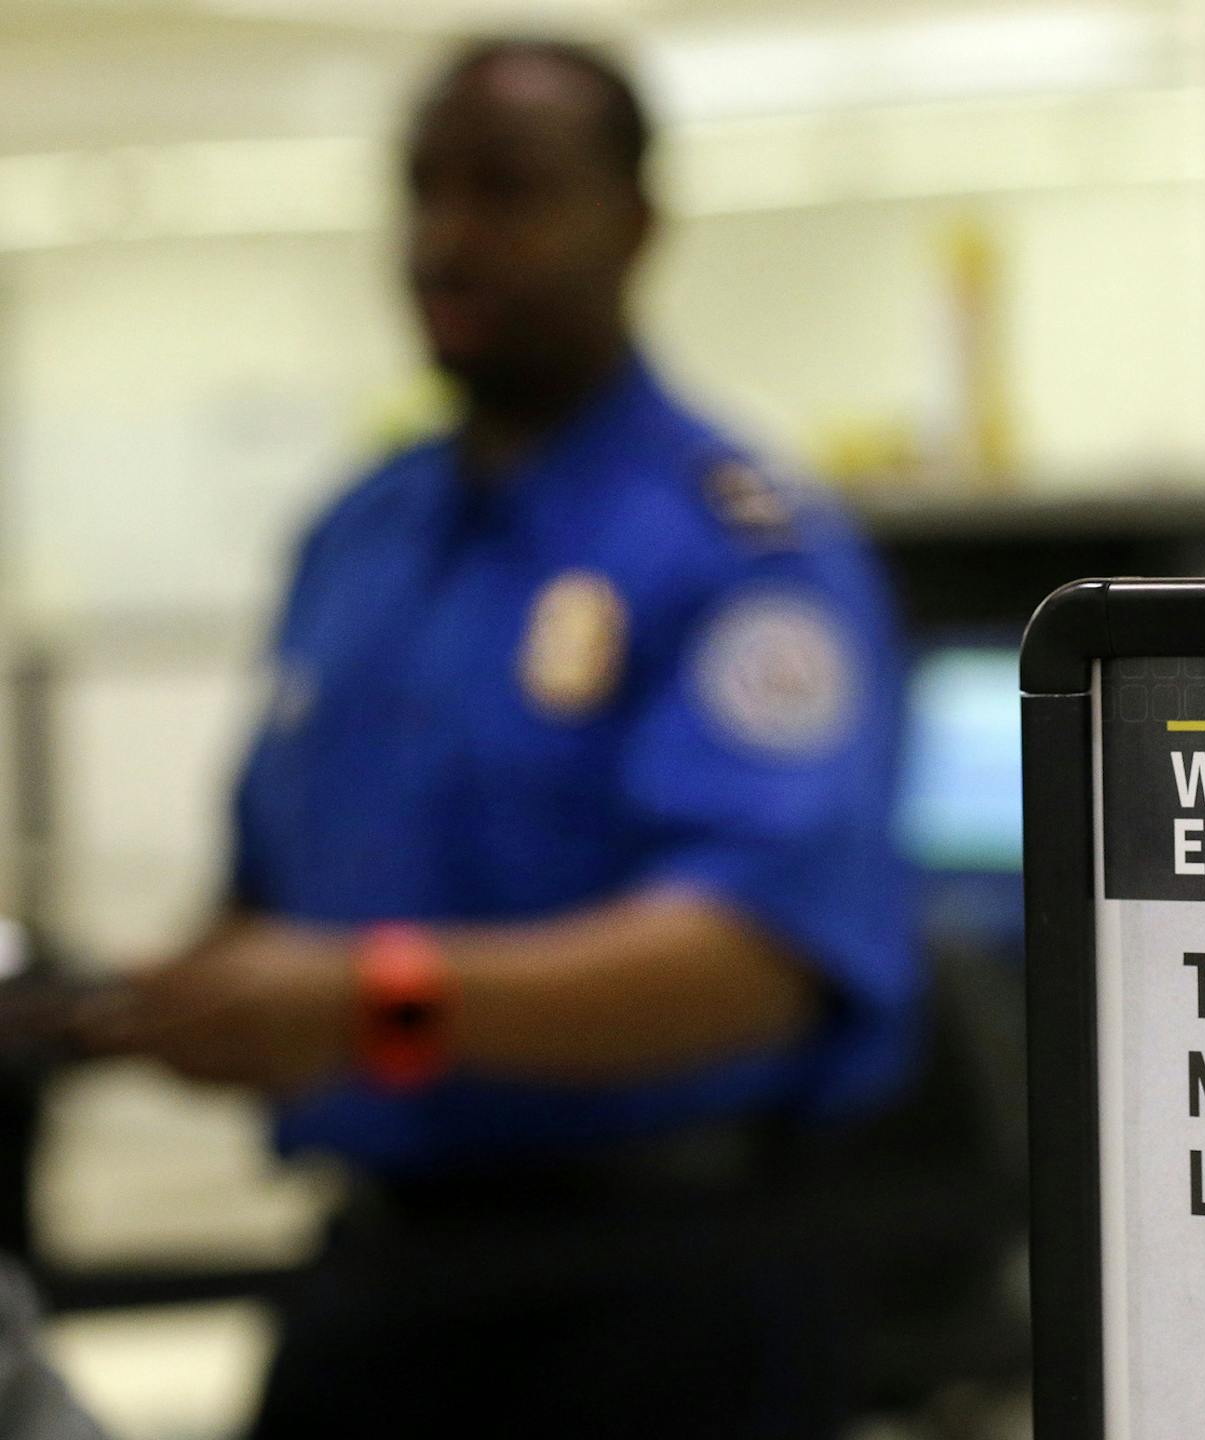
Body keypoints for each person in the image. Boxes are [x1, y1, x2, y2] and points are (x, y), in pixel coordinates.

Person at [79, 35, 917, 1440]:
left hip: (655, 1292)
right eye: (422, 192)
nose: (445, 242)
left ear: (636, 226)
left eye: (508, 192)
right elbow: (272, 888)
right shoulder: (362, 535)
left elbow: (757, 958)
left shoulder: (738, 549)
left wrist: (369, 1003)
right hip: (380, 1274)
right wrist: (164, 1002)